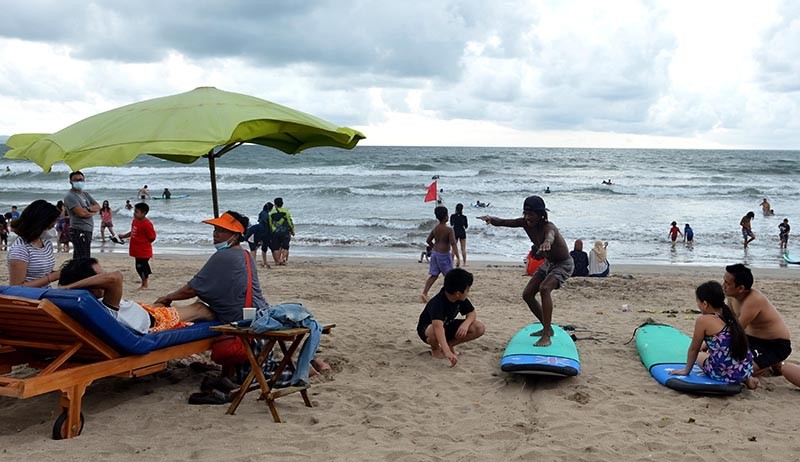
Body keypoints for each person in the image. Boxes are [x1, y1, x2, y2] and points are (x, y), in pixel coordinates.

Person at [479, 195, 572, 347]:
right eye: (526, 213)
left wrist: (548, 242)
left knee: (544, 288)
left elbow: (551, 235)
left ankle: (547, 334)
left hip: (563, 264)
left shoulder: (548, 227)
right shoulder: (525, 223)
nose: (528, 217)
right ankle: (546, 328)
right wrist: (491, 219)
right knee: (527, 295)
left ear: (541, 214)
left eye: (531, 214)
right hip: (549, 263)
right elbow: (504, 222)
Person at [154, 211, 269, 324]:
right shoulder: (246, 254)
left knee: (199, 308)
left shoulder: (223, 256)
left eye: (221, 231)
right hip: (258, 311)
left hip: (239, 317)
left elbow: (191, 289)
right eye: (215, 229)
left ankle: (155, 320)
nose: (215, 234)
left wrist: (168, 297)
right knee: (201, 301)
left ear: (235, 236)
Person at [59, 258, 203, 334]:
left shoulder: (75, 304)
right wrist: (70, 286)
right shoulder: (102, 308)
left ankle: (161, 303)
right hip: (153, 319)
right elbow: (115, 277)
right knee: (200, 308)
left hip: (140, 310)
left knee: (161, 301)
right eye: (100, 276)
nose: (104, 277)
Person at [723, 263, 800, 388]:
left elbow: (737, 330)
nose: (723, 286)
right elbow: (728, 323)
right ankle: (774, 365)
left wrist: (705, 344)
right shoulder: (732, 297)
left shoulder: (754, 300)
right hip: (751, 340)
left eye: (727, 283)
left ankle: (771, 364)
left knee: (737, 370)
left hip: (774, 344)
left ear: (741, 288)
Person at [669, 281, 756, 389]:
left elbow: (694, 349)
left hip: (723, 374)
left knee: (700, 355)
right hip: (745, 369)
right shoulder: (729, 314)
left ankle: (739, 376)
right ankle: (748, 380)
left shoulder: (703, 320)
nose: (698, 305)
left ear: (705, 304)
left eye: (698, 302)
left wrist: (686, 370)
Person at [416, 268, 485, 367]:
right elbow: (438, 327)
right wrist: (447, 352)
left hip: (447, 325)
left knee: (479, 327)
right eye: (467, 290)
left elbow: (472, 313)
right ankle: (435, 349)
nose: (468, 292)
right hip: (429, 330)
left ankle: (450, 344)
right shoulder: (438, 302)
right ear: (458, 293)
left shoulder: (460, 298)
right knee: (433, 330)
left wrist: (465, 324)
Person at [7, 200, 61, 288]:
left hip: (46, 291)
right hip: (30, 297)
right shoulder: (20, 250)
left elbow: (43, 274)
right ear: (39, 225)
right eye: (50, 227)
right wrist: (52, 277)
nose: (52, 230)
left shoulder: (46, 243)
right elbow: (16, 288)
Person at [421, 206, 460, 302]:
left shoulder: (436, 228)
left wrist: (434, 247)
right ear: (446, 217)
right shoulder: (449, 230)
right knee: (449, 277)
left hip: (435, 254)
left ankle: (424, 293)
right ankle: (450, 294)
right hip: (444, 255)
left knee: (434, 275)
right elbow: (453, 243)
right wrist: (458, 257)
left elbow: (428, 240)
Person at [118, 202, 156, 290]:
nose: (134, 213)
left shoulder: (147, 224)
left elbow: (152, 237)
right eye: (134, 211)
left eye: (137, 212)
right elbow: (133, 232)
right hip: (135, 248)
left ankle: (144, 284)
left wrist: (144, 243)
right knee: (141, 266)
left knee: (141, 267)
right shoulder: (135, 221)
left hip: (143, 250)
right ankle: (145, 279)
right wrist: (123, 236)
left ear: (144, 213)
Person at [64, 170, 100, 259]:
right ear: (70, 182)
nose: (79, 182)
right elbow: (81, 214)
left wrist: (88, 209)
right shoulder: (70, 196)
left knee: (80, 257)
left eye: (81, 179)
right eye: (76, 180)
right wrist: (91, 212)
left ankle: (76, 272)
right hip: (78, 230)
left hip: (87, 229)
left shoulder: (85, 194)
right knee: (83, 257)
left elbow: (98, 206)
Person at [268, 198, 294, 266]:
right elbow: (290, 221)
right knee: (285, 247)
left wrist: (271, 230)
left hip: (275, 232)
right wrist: (292, 230)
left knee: (276, 247)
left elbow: (270, 223)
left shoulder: (271, 213)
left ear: (275, 204)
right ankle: (283, 259)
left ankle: (277, 261)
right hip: (285, 231)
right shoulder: (286, 211)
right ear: (282, 204)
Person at [257, 202, 274, 267]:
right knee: (268, 247)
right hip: (266, 232)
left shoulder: (261, 213)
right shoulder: (266, 215)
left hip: (260, 231)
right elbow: (268, 225)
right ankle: (265, 262)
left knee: (262, 247)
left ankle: (264, 262)